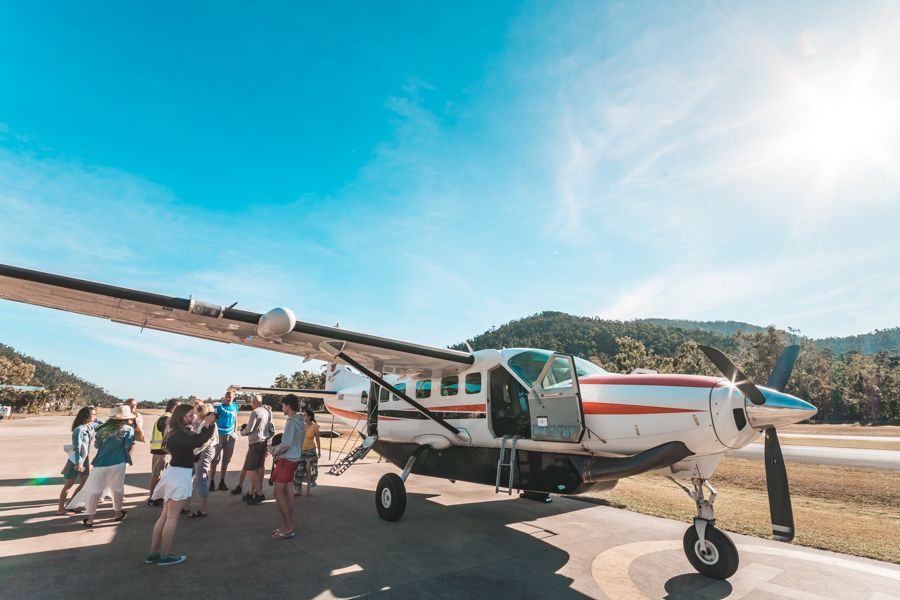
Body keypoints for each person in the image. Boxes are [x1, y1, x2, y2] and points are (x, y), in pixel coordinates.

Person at [146, 403, 216, 567]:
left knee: (164, 516)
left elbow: (195, 444)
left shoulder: (175, 432)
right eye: (190, 415)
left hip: (174, 474)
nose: (193, 418)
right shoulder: (180, 435)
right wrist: (208, 424)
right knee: (171, 518)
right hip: (179, 476)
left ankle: (154, 553)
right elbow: (200, 440)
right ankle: (165, 556)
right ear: (180, 416)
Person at [67, 405, 136, 526]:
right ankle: (117, 513)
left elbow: (97, 446)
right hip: (119, 462)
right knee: (117, 488)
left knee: (95, 490)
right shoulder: (128, 429)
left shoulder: (102, 429)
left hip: (101, 462)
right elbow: (127, 445)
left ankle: (90, 518)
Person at [269, 395, 304, 540]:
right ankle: (287, 525)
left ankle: (288, 528)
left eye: (283, 406)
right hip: (294, 459)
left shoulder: (291, 422)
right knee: (289, 492)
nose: (282, 408)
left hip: (287, 459)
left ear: (288, 406)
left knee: (277, 493)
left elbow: (287, 443)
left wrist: (273, 450)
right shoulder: (301, 420)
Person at [57, 406, 101, 515]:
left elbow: (102, 424)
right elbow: (76, 448)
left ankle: (72, 505)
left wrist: (95, 418)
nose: (95, 417)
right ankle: (60, 509)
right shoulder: (79, 430)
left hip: (85, 459)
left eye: (95, 414)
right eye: (93, 414)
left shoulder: (90, 426)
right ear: (86, 416)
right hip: (75, 461)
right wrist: (78, 463)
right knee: (68, 485)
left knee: (84, 483)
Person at [237, 394, 273, 504]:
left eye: (252, 402)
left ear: (254, 402)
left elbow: (250, 428)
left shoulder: (255, 412)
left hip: (255, 443)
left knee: (250, 469)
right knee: (258, 468)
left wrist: (242, 432)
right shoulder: (267, 412)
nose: (251, 405)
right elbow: (270, 427)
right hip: (264, 442)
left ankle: (259, 494)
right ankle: (251, 493)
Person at [185, 402, 218, 518]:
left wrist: (194, 450)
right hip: (199, 451)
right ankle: (186, 506)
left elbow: (204, 441)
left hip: (204, 451)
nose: (195, 414)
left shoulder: (209, 424)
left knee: (201, 478)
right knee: (189, 477)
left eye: (198, 412)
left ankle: (203, 509)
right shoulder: (203, 422)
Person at [148, 399, 179, 506]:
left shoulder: (164, 417)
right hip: (161, 451)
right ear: (173, 407)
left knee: (159, 474)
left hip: (160, 450)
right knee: (158, 475)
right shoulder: (167, 418)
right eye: (178, 407)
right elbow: (167, 436)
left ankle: (156, 497)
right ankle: (153, 498)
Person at [209, 389, 238, 491]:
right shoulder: (220, 407)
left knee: (226, 460)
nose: (228, 398)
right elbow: (214, 419)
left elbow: (235, 419)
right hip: (220, 435)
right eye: (227, 396)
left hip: (230, 435)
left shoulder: (235, 406)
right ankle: (211, 482)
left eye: (230, 396)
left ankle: (222, 481)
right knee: (215, 460)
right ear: (224, 397)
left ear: (233, 397)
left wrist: (235, 431)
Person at [293, 408, 321, 497]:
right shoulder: (302, 425)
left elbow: (317, 439)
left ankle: (308, 489)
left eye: (305, 415)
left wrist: (319, 451)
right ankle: (298, 490)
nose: (303, 416)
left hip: (311, 451)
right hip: (301, 451)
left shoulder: (314, 426)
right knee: (299, 470)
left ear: (309, 417)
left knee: (308, 470)